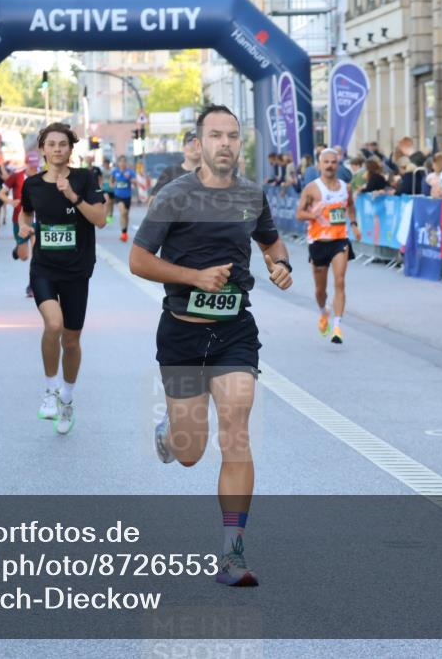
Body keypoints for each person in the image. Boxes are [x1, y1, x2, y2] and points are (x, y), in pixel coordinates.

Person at [130, 104, 292, 587]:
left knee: (237, 428)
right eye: (215, 135)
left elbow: (271, 242)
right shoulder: (174, 196)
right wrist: (194, 277)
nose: (225, 143)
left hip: (234, 332)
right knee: (189, 453)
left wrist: (280, 264)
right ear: (198, 144)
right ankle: (170, 430)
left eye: (232, 136)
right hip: (182, 332)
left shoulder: (251, 195)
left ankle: (232, 552)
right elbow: (139, 259)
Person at [18, 123, 106, 435]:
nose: (57, 149)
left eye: (63, 144)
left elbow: (100, 219)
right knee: (53, 325)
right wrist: (24, 229)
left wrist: (72, 196)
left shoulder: (85, 178)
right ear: (42, 149)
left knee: (71, 340)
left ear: (70, 149)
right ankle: (50, 390)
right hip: (44, 267)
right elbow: (25, 214)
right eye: (51, 144)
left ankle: (67, 398)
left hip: (77, 270)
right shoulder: (32, 185)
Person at [296, 147, 360, 343]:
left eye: (333, 162)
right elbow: (299, 214)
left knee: (340, 281)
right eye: (326, 162)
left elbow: (350, 206)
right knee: (320, 290)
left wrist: (354, 224)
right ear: (319, 165)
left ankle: (337, 327)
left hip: (340, 240)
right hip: (318, 242)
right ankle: (324, 311)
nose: (330, 165)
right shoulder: (312, 188)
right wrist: (312, 214)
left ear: (338, 164)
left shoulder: (345, 187)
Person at [151, 130, 201, 197]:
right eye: (191, 142)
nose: (195, 146)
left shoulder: (210, 173)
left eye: (199, 143)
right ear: (183, 147)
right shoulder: (170, 172)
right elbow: (153, 199)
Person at [110, 155, 138, 242]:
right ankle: (123, 233)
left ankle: (125, 232)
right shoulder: (115, 171)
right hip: (118, 195)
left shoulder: (130, 172)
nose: (122, 163)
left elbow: (135, 183)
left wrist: (129, 178)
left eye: (124, 161)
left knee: (126, 215)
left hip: (127, 196)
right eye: (121, 161)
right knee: (122, 212)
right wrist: (113, 186)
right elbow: (111, 181)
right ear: (118, 163)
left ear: (126, 163)